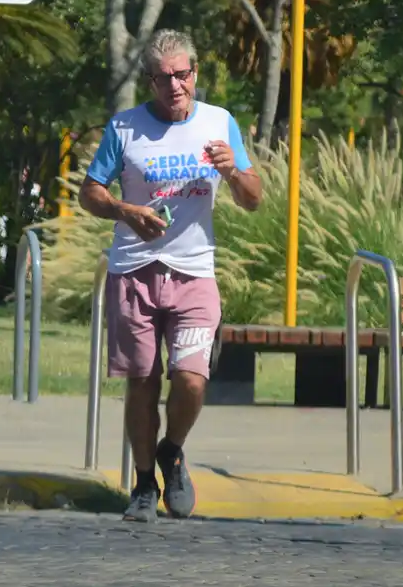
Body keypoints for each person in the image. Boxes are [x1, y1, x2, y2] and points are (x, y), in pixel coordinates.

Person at [78, 29, 264, 522]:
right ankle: (142, 484)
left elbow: (253, 198)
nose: (175, 86)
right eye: (164, 78)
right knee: (142, 382)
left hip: (195, 273)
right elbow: (89, 191)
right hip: (134, 271)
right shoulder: (125, 128)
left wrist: (233, 173)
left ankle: (172, 450)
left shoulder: (219, 123)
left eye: (182, 75)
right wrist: (124, 210)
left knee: (191, 380)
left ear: (195, 74)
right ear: (150, 81)